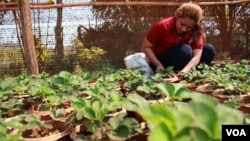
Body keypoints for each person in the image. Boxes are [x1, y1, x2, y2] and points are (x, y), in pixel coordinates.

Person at [142, 2, 216, 82]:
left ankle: (190, 77)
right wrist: (158, 64)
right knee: (185, 50)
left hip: (183, 61)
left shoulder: (196, 31)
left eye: (189, 27)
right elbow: (146, 47)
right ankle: (168, 75)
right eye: (182, 24)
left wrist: (183, 73)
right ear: (177, 15)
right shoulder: (163, 26)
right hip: (161, 62)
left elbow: (196, 57)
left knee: (209, 49)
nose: (184, 29)